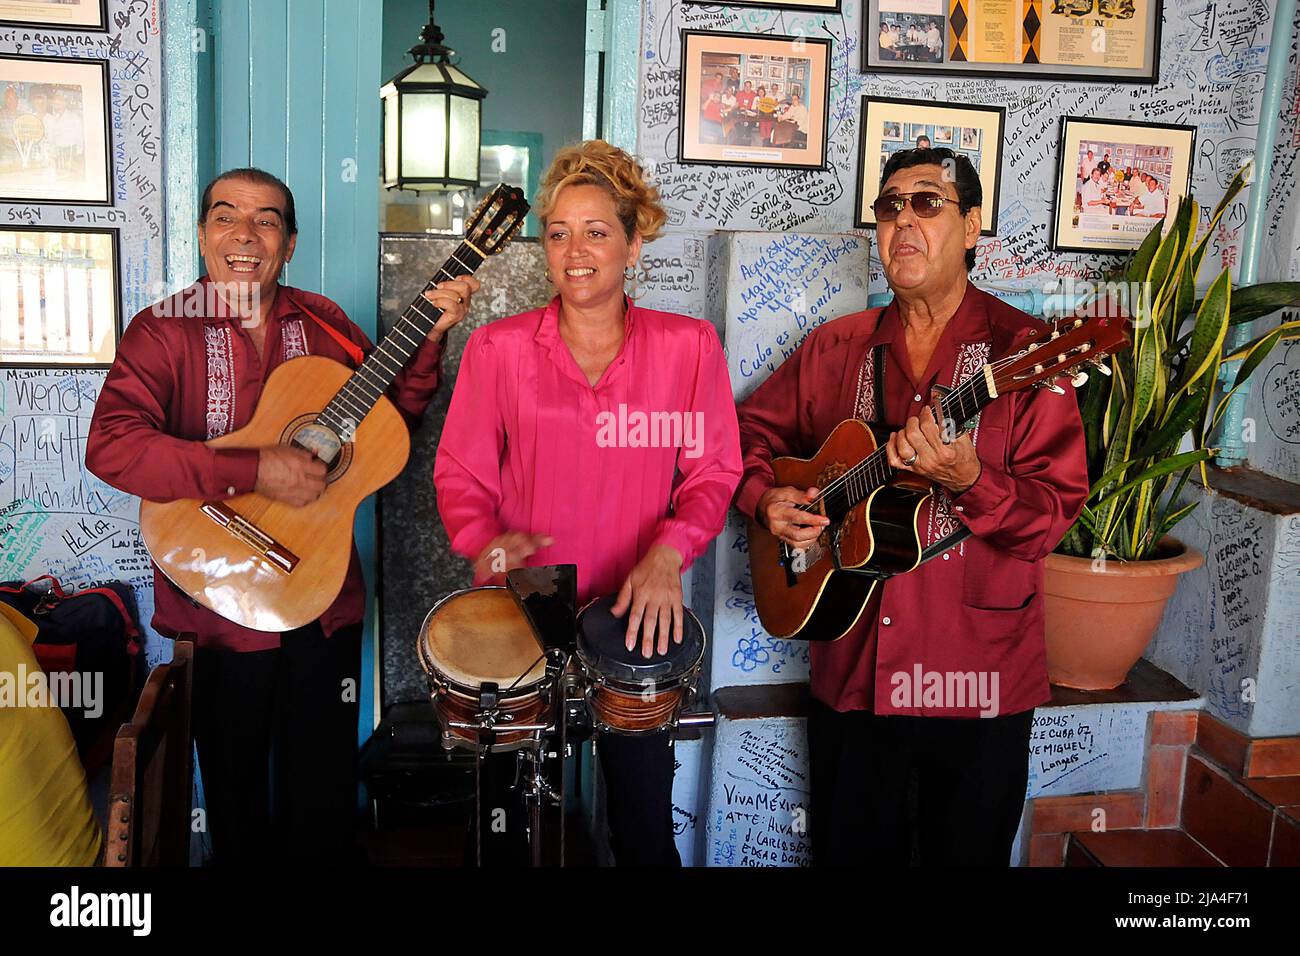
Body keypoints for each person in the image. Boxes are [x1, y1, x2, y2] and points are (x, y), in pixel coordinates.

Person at [85, 168, 479, 864]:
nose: (246, 234)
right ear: (204, 234)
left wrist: (431, 341)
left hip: (320, 596)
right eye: (227, 216)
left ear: (289, 242)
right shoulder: (160, 331)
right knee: (235, 802)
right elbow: (113, 448)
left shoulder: (325, 322)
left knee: (322, 799)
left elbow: (388, 429)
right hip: (215, 604)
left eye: (267, 220)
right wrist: (255, 468)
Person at [735, 147, 1088, 867]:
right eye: (889, 206)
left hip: (980, 682)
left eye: (927, 203)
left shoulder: (1028, 352)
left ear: (972, 226)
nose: (903, 221)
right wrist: (765, 496)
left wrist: (970, 479)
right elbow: (742, 435)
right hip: (854, 672)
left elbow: (1050, 518)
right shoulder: (836, 347)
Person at [434, 140, 741, 866]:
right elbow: (461, 477)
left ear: (635, 244)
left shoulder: (688, 348)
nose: (576, 251)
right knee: (507, 830)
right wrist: (496, 553)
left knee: (641, 828)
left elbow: (713, 472)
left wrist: (669, 555)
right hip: (518, 608)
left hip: (637, 610)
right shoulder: (496, 350)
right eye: (559, 233)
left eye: (597, 232)